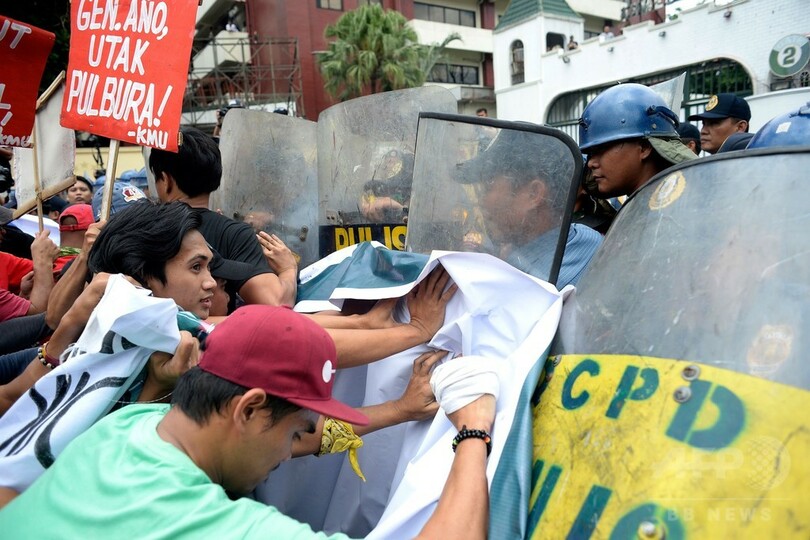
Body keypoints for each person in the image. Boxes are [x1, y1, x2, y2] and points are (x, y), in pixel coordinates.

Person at [0, 304, 495, 539]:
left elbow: (307, 442)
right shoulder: (202, 522)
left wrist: (398, 410)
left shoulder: (129, 427)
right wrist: (473, 431)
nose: (289, 454)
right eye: (293, 428)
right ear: (249, 407)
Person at [149, 126, 297, 308]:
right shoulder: (234, 234)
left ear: (165, 180)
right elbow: (276, 302)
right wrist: (288, 270)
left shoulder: (142, 228)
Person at [458, 128, 603, 287]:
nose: (481, 202)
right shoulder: (587, 239)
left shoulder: (536, 285)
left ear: (533, 194)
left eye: (488, 187)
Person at [579, 83, 697, 199]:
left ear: (644, 147)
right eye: (590, 153)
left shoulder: (686, 207)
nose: (590, 163)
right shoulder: (640, 209)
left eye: (601, 149)